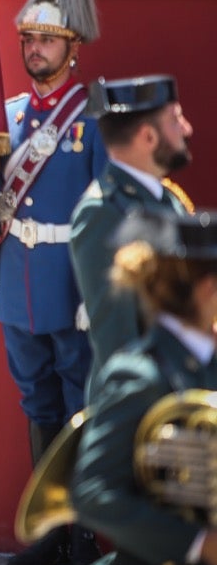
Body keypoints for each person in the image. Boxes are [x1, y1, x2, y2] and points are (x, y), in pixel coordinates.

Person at [0, 0, 105, 565]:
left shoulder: (93, 118)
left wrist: (98, 294)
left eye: (47, 39)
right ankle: (51, 532)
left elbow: (111, 218)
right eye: (29, 37)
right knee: (37, 403)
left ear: (72, 47)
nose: (35, 48)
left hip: (72, 285)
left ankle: (84, 534)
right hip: (20, 285)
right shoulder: (8, 119)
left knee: (79, 406)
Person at [70, 206, 217, 565]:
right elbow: (93, 492)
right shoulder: (139, 373)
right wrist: (198, 543)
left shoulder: (206, 358)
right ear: (209, 290)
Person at [71, 75, 195, 388]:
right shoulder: (103, 212)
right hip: (141, 408)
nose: (186, 129)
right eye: (175, 120)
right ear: (148, 137)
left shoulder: (167, 199)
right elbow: (119, 344)